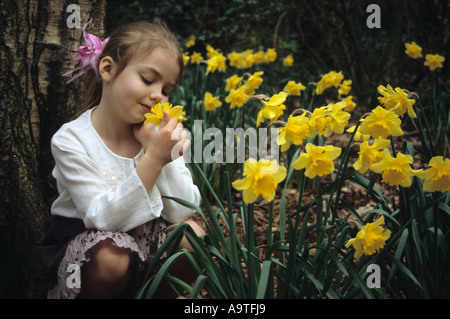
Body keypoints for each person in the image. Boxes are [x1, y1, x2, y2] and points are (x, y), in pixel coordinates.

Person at [36, 21, 204, 299]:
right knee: (112, 258)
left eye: (166, 90)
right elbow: (102, 219)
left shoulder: (160, 137)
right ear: (107, 69)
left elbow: (181, 211)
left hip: (149, 237)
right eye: (149, 80)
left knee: (191, 236)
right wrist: (153, 159)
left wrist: (161, 153)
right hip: (94, 250)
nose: (157, 96)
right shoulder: (71, 140)